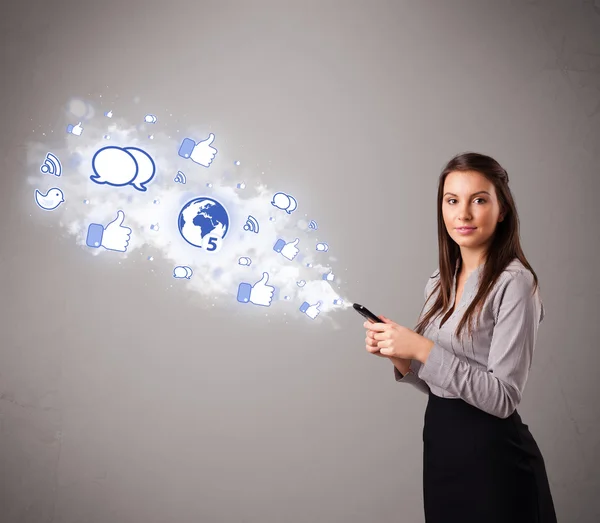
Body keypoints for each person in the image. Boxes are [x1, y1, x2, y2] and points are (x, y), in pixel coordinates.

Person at [364, 152, 557, 523]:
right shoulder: (439, 282)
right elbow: (445, 387)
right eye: (452, 201)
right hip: (441, 450)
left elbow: (502, 398)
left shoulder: (515, 283)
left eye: (479, 200)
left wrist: (421, 347)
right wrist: (400, 357)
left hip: (495, 460)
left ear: (502, 210)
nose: (463, 214)